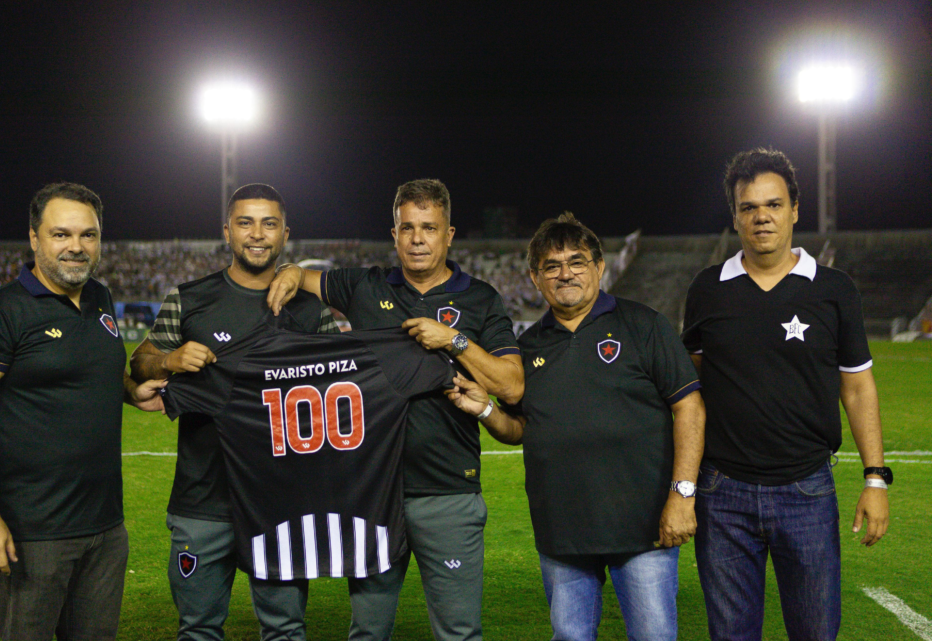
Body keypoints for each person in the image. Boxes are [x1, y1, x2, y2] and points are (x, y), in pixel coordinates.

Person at [267, 178, 524, 641]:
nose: (418, 238)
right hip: (372, 494)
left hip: (447, 492)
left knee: (459, 634)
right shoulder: (365, 286)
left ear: (448, 235)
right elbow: (301, 277)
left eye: (429, 227)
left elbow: (512, 384)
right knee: (367, 632)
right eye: (407, 228)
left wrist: (455, 340)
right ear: (394, 234)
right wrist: (288, 271)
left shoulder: (480, 298)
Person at [447, 212, 705, 641]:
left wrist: (683, 494)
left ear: (599, 267)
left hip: (643, 529)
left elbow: (690, 408)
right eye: (552, 265)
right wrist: (484, 411)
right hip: (562, 532)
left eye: (577, 261)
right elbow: (522, 430)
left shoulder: (644, 325)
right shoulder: (525, 348)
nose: (565, 273)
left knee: (655, 637)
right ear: (535, 277)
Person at [682, 148, 890, 641]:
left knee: (816, 633)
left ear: (795, 209)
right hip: (722, 493)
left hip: (807, 490)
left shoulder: (835, 289)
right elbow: (689, 386)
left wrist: (876, 480)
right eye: (749, 207)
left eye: (773, 205)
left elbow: (858, 386)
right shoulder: (708, 288)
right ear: (735, 216)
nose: (762, 217)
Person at [0, 182, 165, 641]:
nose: (76, 247)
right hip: (34, 533)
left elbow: (94, 369)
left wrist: (131, 391)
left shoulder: (100, 298)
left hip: (106, 526)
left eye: (88, 235)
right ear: (34, 238)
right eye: (61, 234)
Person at [129, 184, 339, 641]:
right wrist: (169, 360)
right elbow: (139, 364)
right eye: (245, 222)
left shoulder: (310, 310)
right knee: (198, 630)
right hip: (203, 501)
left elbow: (341, 385)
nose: (257, 234)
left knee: (285, 630)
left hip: (281, 501)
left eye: (269, 224)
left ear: (286, 233)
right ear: (227, 231)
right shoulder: (189, 299)